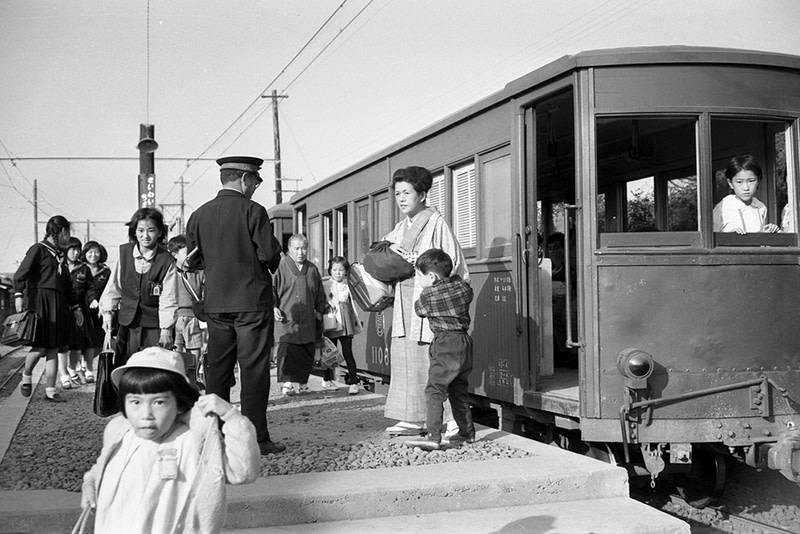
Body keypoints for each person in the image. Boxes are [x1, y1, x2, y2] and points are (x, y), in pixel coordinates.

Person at [80, 346, 260, 534]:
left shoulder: (193, 441)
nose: (146, 414)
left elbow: (243, 472)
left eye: (159, 402)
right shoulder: (120, 435)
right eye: (135, 402)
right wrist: (90, 485)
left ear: (179, 404)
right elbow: (101, 469)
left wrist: (231, 416)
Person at [184, 155, 285, 455]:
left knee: (217, 369)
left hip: (215, 304)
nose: (255, 186)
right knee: (253, 369)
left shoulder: (198, 216)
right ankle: (255, 438)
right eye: (255, 180)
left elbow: (193, 260)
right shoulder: (254, 211)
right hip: (252, 302)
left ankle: (214, 433)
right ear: (243, 179)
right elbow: (269, 255)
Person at [383, 166, 468, 437]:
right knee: (405, 357)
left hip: (431, 301)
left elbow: (451, 262)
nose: (401, 198)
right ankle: (412, 417)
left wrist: (420, 264)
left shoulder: (436, 222)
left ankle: (451, 420)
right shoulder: (399, 228)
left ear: (422, 194)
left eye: (407, 192)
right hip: (405, 299)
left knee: (436, 363)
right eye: (397, 193)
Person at [404, 248, 476, 451]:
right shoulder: (462, 288)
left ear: (432, 276)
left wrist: (426, 292)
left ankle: (433, 436)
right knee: (458, 390)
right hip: (464, 341)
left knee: (435, 390)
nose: (418, 279)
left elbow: (419, 310)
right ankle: (466, 434)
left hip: (445, 344)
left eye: (419, 274)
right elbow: (467, 290)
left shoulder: (428, 296)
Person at [14, 215, 83, 402]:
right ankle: (26, 375)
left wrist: (76, 307)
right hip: (40, 301)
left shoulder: (60, 255)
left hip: (59, 303)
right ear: (62, 232)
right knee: (40, 345)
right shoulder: (38, 249)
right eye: (68, 233)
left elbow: (68, 285)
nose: (68, 237)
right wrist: (19, 295)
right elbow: (21, 274)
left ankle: (51, 390)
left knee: (54, 348)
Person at [99, 207, 178, 364]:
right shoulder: (124, 253)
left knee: (153, 369)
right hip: (127, 325)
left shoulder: (166, 260)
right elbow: (113, 287)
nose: (145, 236)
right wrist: (108, 313)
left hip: (155, 327)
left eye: (151, 230)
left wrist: (166, 330)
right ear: (134, 231)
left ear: (160, 232)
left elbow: (169, 297)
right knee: (125, 366)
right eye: (141, 230)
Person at [273, 234, 326, 396]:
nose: (301, 252)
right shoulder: (280, 267)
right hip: (287, 318)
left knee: (306, 351)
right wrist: (273, 306)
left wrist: (319, 310)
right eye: (297, 248)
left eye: (304, 248)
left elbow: (319, 293)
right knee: (287, 351)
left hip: (308, 319)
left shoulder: (312, 269)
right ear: (289, 249)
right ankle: (287, 383)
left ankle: (303, 383)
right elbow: (271, 289)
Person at [58, 237, 100, 389]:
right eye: (72, 249)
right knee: (62, 344)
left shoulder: (84, 269)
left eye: (78, 249)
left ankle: (73, 367)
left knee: (78, 343)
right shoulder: (58, 266)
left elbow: (90, 288)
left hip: (80, 309)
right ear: (66, 250)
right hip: (62, 309)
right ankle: (63, 374)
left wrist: (93, 299)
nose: (75, 253)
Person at [168, 234, 206, 390]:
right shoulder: (168, 273)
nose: (190, 256)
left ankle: (192, 383)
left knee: (194, 353)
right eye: (186, 252)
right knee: (174, 354)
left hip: (193, 317)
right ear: (174, 254)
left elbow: (205, 293)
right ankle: (177, 385)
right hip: (174, 317)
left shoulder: (199, 272)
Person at [322, 256, 362, 395]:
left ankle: (353, 382)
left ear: (345, 271)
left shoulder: (348, 286)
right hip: (331, 321)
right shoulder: (325, 285)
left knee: (347, 352)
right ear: (330, 270)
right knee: (329, 351)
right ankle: (327, 379)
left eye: (341, 270)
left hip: (345, 321)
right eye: (334, 270)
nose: (337, 273)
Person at [713, 154, 779, 234]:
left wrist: (769, 231)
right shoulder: (723, 207)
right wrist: (729, 236)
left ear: (758, 181)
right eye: (739, 182)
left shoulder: (761, 207)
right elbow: (711, 237)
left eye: (751, 181)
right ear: (730, 183)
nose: (746, 188)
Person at [81, 240, 112, 381]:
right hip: (82, 310)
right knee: (84, 340)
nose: (93, 255)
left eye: (96, 252)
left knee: (100, 342)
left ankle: (84, 362)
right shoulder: (79, 269)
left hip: (100, 310)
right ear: (85, 253)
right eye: (90, 252)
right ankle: (85, 367)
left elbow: (111, 290)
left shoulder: (105, 271)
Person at [547, 232, 578, 368]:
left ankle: (573, 353)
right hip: (552, 302)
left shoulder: (569, 267)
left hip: (569, 300)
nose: (554, 252)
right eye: (550, 248)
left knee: (567, 313)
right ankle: (561, 351)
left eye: (556, 247)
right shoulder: (548, 269)